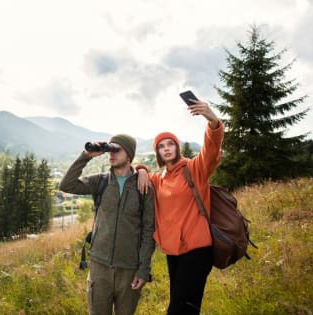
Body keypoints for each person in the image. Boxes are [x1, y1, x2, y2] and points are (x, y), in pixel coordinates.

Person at [136, 99, 224, 314]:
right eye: (161, 146)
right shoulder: (158, 180)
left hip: (197, 249)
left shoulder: (194, 169)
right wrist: (140, 169)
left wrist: (213, 120)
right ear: (158, 153)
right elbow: (139, 174)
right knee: (188, 307)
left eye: (170, 144)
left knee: (177, 308)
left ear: (177, 147)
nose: (166, 149)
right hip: (173, 251)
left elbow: (211, 151)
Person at [59, 134, 155, 315]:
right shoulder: (100, 181)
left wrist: (143, 271)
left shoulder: (144, 187)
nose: (111, 154)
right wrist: (86, 156)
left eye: (116, 150)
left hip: (129, 269)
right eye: (109, 149)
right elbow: (66, 185)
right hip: (99, 267)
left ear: (129, 155)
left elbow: (149, 231)